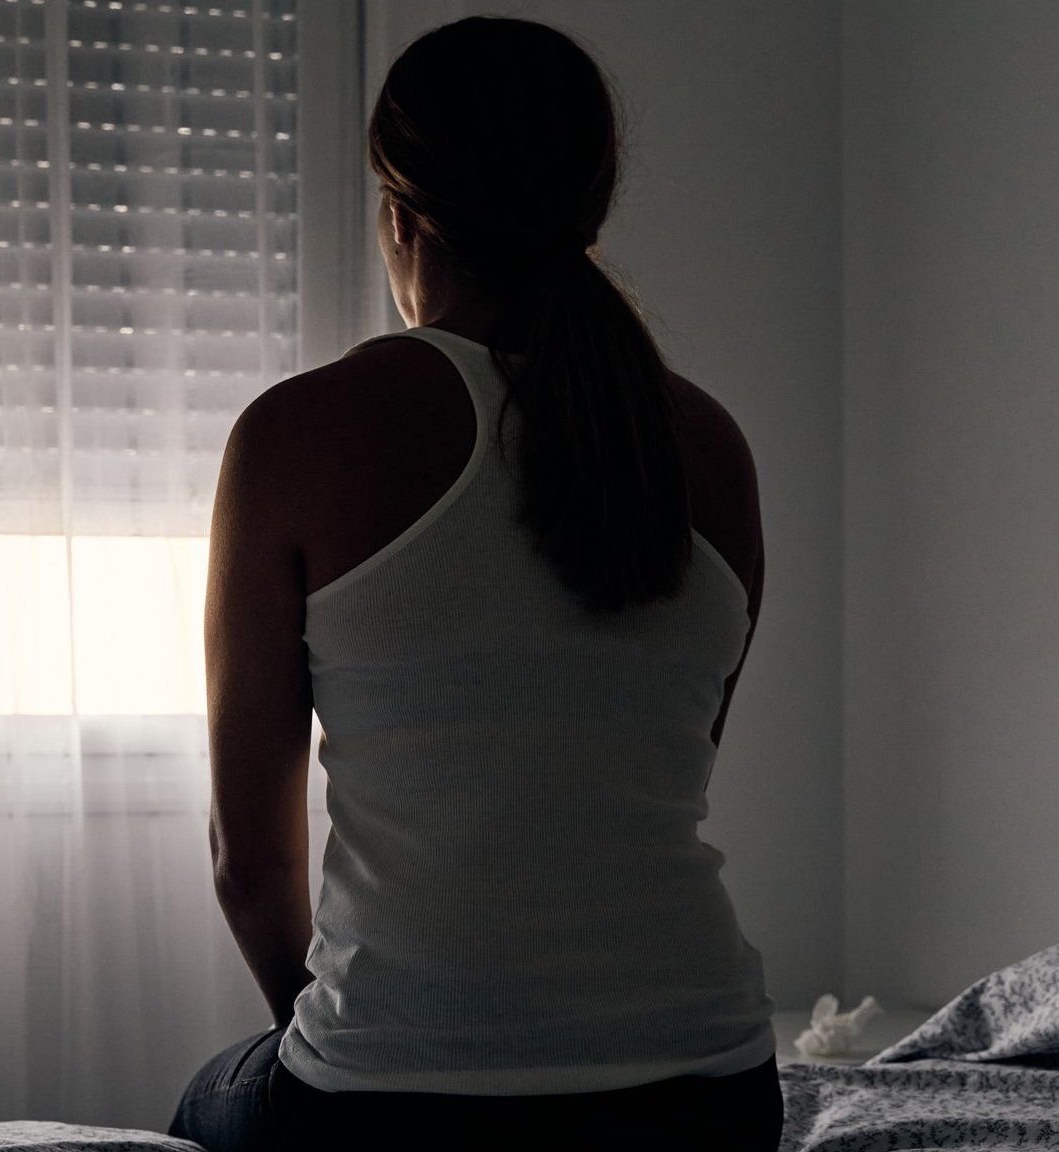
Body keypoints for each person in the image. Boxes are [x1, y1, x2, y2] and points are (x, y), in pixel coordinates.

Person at [167, 15, 782, 1152]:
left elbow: (247, 865)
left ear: (398, 215)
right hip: (711, 1090)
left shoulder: (296, 435)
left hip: (399, 1106)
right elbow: (644, 777)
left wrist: (354, 1041)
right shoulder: (707, 444)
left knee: (198, 1109)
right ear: (587, 209)